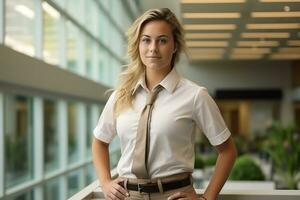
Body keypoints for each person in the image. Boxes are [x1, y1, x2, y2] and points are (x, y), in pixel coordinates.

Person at [92, 8, 237, 200]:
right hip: (127, 195)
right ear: (138, 44)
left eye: (162, 40)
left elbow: (228, 151)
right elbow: (99, 142)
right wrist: (105, 182)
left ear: (175, 45)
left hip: (174, 195)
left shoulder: (195, 95)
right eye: (146, 40)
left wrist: (206, 198)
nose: (153, 48)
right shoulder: (121, 95)